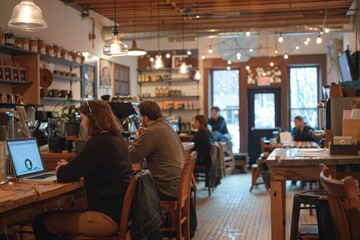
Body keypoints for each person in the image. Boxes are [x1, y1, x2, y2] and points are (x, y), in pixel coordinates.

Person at [32, 100, 132, 239]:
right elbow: (83, 167)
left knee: (41, 221)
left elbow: (64, 175)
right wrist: (72, 167)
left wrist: (63, 168)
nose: (81, 124)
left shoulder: (98, 142)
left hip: (105, 218)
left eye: (83, 118)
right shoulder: (116, 139)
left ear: (92, 119)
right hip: (118, 215)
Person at [129, 100, 184, 200]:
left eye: (140, 117)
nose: (140, 119)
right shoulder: (167, 126)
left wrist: (136, 139)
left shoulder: (151, 131)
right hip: (179, 185)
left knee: (132, 190)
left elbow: (132, 156)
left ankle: (149, 216)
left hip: (166, 188)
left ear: (145, 118)